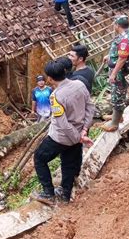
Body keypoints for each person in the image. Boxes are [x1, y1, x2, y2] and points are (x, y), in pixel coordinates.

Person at [32, 60, 94, 204]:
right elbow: (90, 107)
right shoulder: (80, 85)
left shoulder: (56, 96)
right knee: (68, 162)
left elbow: (63, 123)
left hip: (61, 137)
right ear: (65, 72)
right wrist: (84, 130)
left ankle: (48, 193)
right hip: (78, 133)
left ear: (50, 78)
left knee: (39, 158)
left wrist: (78, 138)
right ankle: (65, 194)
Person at [102, 15, 129, 132]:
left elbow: (122, 58)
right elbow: (119, 52)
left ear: (117, 25)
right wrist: (110, 56)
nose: (113, 26)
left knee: (118, 95)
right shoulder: (125, 34)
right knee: (116, 93)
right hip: (118, 70)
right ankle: (117, 116)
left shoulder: (125, 39)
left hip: (120, 73)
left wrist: (113, 74)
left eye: (114, 24)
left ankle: (115, 123)